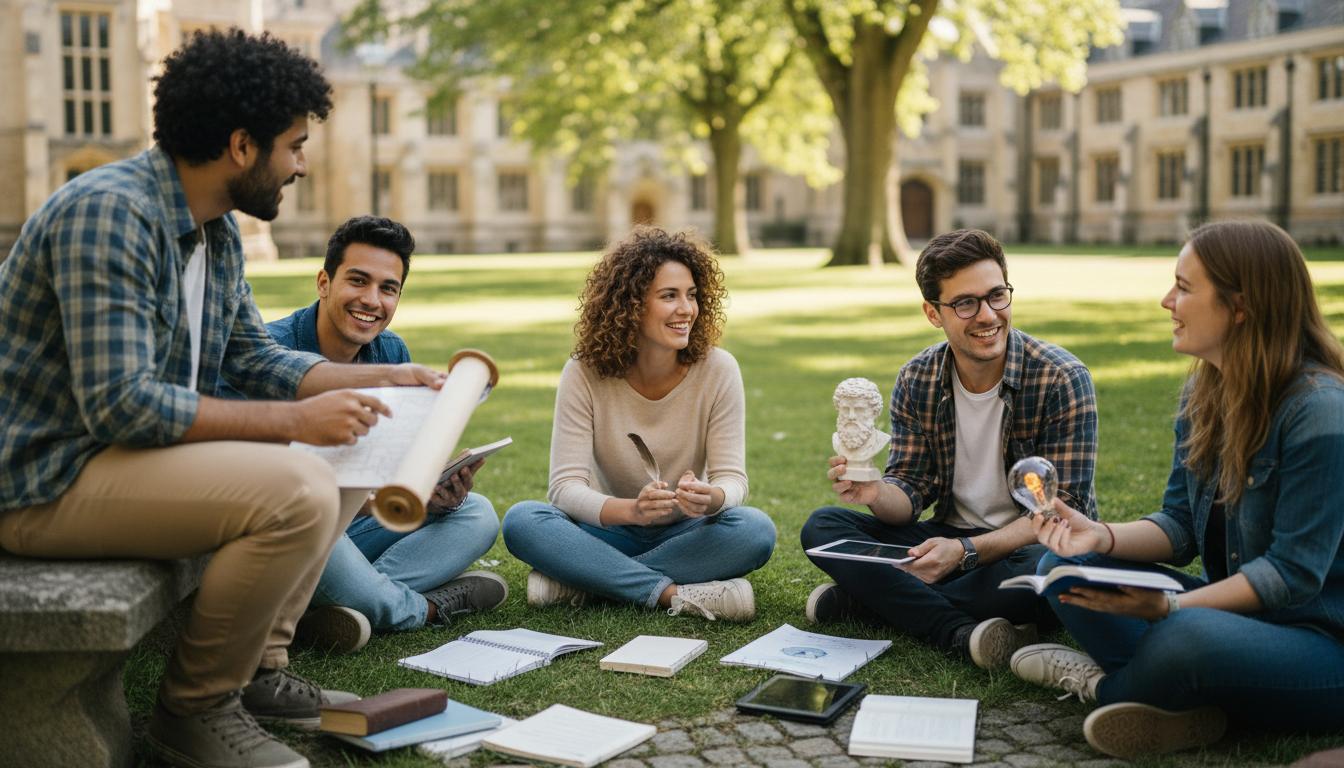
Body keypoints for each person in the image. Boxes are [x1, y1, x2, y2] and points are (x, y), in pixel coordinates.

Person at [0, 30, 446, 768]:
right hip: (43, 480)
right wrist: (296, 423)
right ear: (243, 146)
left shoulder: (215, 231)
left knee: (361, 440)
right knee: (297, 482)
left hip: (115, 460)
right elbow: (122, 405)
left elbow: (255, 356)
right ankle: (195, 710)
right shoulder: (110, 213)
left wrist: (385, 379)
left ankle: (261, 671)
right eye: (294, 145)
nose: (301, 164)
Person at [1009, 221, 1344, 759]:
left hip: (1323, 642)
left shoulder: (1319, 411)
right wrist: (1100, 537)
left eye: (1184, 287)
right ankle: (1184, 698)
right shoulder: (1204, 391)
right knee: (1060, 572)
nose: (1167, 300)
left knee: (1184, 638)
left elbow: (1291, 574)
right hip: (1237, 619)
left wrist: (1173, 607)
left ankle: (1107, 689)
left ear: (1241, 306)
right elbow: (1180, 525)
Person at [800, 228, 1099, 669]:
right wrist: (874, 493)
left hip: (1030, 542)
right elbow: (910, 491)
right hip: (946, 538)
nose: (987, 315)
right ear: (932, 312)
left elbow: (1059, 509)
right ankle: (959, 632)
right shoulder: (917, 378)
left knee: (1049, 571)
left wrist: (968, 555)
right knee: (824, 528)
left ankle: (871, 598)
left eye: (997, 296)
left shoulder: (1061, 377)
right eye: (965, 303)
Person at [501, 227, 776, 621]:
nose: (687, 310)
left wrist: (712, 498)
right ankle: (670, 594)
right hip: (609, 526)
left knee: (755, 530)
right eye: (669, 296)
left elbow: (733, 479)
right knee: (523, 521)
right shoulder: (583, 373)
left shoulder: (719, 369)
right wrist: (633, 511)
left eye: (692, 295)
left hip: (685, 531)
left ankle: (586, 579)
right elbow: (564, 489)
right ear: (630, 305)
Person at [261, 216, 506, 653]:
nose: (372, 301)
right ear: (323, 282)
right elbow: (270, 498)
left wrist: (428, 494)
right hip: (299, 527)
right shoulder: (271, 352)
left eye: (388, 288)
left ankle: (337, 607)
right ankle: (425, 609)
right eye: (358, 281)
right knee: (318, 533)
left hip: (358, 526)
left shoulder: (391, 351)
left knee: (478, 514)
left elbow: (388, 474)